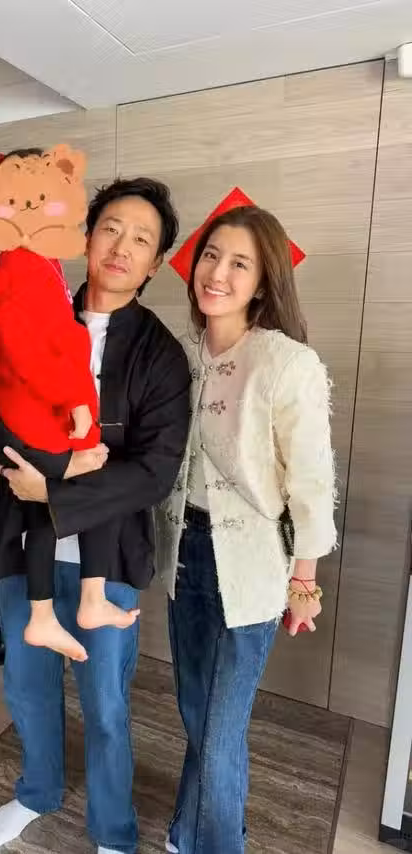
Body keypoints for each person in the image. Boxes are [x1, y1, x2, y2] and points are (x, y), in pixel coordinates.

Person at [0, 176, 191, 854]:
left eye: (141, 239)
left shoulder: (160, 355)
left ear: (155, 264)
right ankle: (38, 791)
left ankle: (113, 830)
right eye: (111, 228)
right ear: (84, 237)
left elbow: (155, 470)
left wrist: (52, 493)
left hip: (107, 561)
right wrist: (48, 470)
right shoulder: (35, 309)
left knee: (107, 705)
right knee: (27, 689)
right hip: (22, 546)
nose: (121, 246)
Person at [155, 205, 337, 854]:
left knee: (220, 729)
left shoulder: (287, 363)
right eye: (211, 255)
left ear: (263, 282)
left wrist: (304, 582)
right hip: (182, 551)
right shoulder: (178, 357)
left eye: (240, 263)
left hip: (251, 564)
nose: (218, 273)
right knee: (197, 714)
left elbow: (311, 482)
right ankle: (187, 833)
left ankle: (213, 843)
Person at [0, 145, 139, 664]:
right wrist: (73, 404)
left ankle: (63, 609)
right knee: (85, 484)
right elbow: (26, 353)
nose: (34, 210)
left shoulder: (38, 265)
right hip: (39, 409)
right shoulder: (22, 268)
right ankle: (77, 604)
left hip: (37, 408)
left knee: (52, 501)